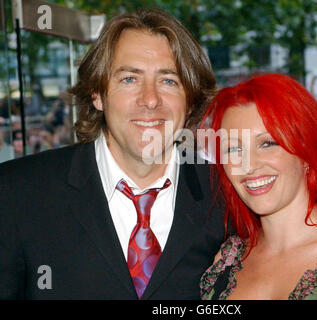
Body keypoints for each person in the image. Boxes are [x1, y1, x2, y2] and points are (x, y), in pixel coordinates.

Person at [0, 8, 225, 300]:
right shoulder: (16, 192)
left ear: (191, 100)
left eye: (169, 81)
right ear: (97, 94)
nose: (150, 99)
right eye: (129, 79)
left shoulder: (225, 197)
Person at [199, 74, 317, 300]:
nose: (248, 165)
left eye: (268, 143)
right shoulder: (225, 262)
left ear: (306, 153)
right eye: (233, 149)